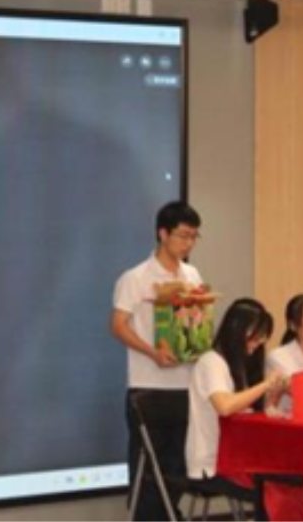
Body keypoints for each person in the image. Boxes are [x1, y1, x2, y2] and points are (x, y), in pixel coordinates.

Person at [110, 201, 203, 522]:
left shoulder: (192, 274)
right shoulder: (135, 277)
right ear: (163, 233)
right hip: (148, 386)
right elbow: (118, 326)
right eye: (183, 235)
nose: (189, 243)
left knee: (178, 467)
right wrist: (152, 352)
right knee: (148, 471)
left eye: (194, 237)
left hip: (186, 385)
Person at [186, 298, 303, 522]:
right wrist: (266, 385)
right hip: (215, 462)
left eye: (261, 340)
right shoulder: (211, 362)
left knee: (296, 480)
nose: (256, 345)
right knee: (281, 490)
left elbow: (249, 411)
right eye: (255, 338)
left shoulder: (237, 365)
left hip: (239, 457)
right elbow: (225, 406)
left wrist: (275, 393)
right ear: (237, 330)